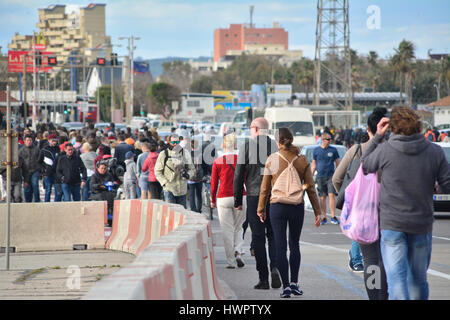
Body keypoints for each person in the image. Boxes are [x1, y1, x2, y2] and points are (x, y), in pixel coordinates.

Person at [362, 106, 450, 300]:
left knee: (396, 280)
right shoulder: (434, 151)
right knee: (418, 279)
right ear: (418, 124)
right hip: (421, 225)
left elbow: (366, 164)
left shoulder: (386, 150)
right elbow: (447, 186)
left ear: (392, 126)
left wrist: (377, 136)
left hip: (392, 225)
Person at [258, 127, 322, 298]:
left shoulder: (271, 159)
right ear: (292, 139)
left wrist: (260, 209)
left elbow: (264, 189)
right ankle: (294, 283)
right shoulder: (302, 160)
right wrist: (318, 211)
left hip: (277, 206)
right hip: (296, 206)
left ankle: (285, 287)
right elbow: (310, 187)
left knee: (280, 245)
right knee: (294, 244)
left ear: (278, 141)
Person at [332, 107, 389, 299]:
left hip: (364, 213)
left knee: (370, 259)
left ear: (367, 128)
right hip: (389, 212)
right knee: (386, 259)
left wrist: (353, 195)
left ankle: (374, 296)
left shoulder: (356, 151)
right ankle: (385, 295)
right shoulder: (394, 150)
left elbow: (336, 178)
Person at [233, 117, 281, 290]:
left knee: (258, 237)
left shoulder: (246, 147)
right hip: (274, 197)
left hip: (254, 196)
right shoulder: (276, 147)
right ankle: (275, 267)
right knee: (273, 235)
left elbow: (238, 176)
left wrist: (238, 200)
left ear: (254, 129)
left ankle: (264, 279)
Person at [211, 133, 246, 269]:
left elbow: (214, 184)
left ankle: (231, 261)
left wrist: (212, 200)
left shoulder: (217, 162)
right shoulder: (240, 160)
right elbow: (246, 179)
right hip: (240, 196)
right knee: (238, 227)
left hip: (223, 197)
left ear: (223, 145)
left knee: (227, 230)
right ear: (235, 145)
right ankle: (239, 251)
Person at [154, 134, 195, 209]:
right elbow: (157, 171)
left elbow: (192, 169)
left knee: (182, 213)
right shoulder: (164, 154)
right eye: (173, 142)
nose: (175, 144)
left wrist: (188, 175)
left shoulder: (185, 153)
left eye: (177, 142)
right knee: (171, 212)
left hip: (182, 189)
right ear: (169, 142)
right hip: (169, 188)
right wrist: (164, 182)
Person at [311, 131, 340, 225]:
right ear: (323, 140)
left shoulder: (333, 150)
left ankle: (333, 216)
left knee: (331, 195)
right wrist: (310, 175)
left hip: (331, 176)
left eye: (330, 139)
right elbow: (314, 164)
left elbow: (338, 163)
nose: (329, 141)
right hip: (320, 176)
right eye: (327, 139)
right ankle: (324, 216)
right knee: (322, 197)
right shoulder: (316, 150)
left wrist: (338, 175)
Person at [91, 161, 119, 226]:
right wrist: (100, 185)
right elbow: (93, 185)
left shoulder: (108, 175)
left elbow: (112, 183)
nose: (103, 170)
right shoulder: (94, 176)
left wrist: (113, 184)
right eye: (102, 168)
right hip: (97, 193)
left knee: (111, 196)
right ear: (98, 169)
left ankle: (110, 216)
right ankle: (103, 216)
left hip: (107, 192)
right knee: (102, 197)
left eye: (104, 168)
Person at [38, 134, 61, 202]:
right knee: (48, 190)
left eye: (55, 141)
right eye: (52, 141)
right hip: (47, 173)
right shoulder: (44, 150)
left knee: (58, 191)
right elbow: (39, 162)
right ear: (49, 140)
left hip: (56, 173)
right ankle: (46, 204)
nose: (54, 142)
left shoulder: (58, 149)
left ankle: (56, 204)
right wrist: (43, 170)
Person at [19, 134, 41, 203]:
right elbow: (19, 161)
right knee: (27, 188)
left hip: (35, 170)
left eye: (30, 140)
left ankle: (37, 201)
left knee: (35, 185)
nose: (29, 142)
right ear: (24, 141)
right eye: (27, 140)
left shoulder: (36, 149)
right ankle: (27, 202)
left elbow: (40, 159)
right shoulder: (21, 150)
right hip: (25, 172)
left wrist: (40, 169)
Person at [188, 139, 204, 213]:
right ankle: (199, 208)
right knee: (199, 194)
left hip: (191, 177)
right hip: (199, 177)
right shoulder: (201, 154)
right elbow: (205, 165)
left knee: (192, 194)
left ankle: (193, 209)